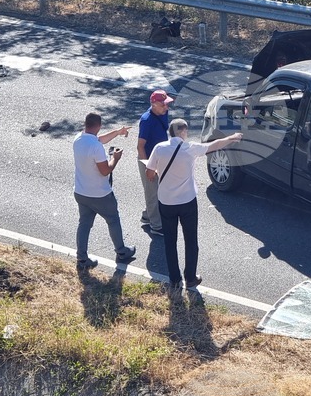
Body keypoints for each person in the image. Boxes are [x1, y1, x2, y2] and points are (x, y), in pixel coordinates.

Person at [146, 119, 242, 290]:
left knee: (170, 241)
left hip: (166, 201)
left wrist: (159, 172)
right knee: (191, 240)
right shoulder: (190, 148)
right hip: (187, 201)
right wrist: (232, 137)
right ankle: (190, 277)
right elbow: (215, 144)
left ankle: (174, 279)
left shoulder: (159, 148)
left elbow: (149, 173)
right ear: (183, 132)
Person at [72, 112, 137, 270]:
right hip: (100, 194)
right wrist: (115, 158)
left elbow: (99, 139)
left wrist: (118, 132)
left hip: (81, 192)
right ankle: (121, 252)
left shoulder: (78, 139)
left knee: (84, 224)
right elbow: (105, 171)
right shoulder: (96, 147)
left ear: (85, 124)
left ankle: (82, 258)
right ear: (99, 126)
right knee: (113, 219)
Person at [137, 89, 174, 236]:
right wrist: (149, 167)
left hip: (160, 159)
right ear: (154, 104)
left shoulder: (162, 113)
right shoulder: (147, 120)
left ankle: (147, 215)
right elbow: (140, 146)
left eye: (167, 104)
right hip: (149, 161)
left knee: (159, 189)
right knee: (152, 193)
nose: (167, 107)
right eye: (163, 105)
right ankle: (156, 226)